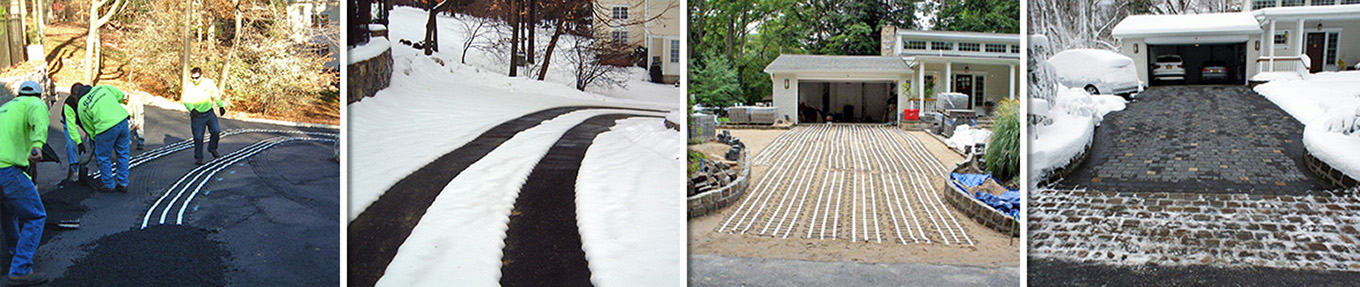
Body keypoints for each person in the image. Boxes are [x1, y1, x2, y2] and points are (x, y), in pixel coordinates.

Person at [0, 81, 51, 286]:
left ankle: (16, 252)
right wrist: (37, 145)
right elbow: (39, 121)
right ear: (38, 95)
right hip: (7, 169)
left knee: (7, 213)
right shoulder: (34, 103)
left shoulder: (5, 108)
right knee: (36, 215)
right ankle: (21, 269)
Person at [76, 85, 131, 193]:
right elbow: (120, 95)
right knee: (123, 154)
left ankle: (109, 184)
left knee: (103, 157)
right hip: (122, 121)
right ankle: (123, 183)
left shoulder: (82, 104)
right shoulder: (102, 88)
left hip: (105, 128)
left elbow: (87, 126)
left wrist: (94, 138)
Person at [182, 67, 228, 165]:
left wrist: (221, 106)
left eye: (197, 77)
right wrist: (192, 109)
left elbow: (215, 94)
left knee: (216, 131)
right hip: (197, 115)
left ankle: (212, 148)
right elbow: (186, 101)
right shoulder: (190, 87)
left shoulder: (209, 83)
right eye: (193, 78)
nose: (195, 80)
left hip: (209, 113)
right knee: (198, 137)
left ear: (201, 75)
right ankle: (199, 157)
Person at [63, 83, 91, 182]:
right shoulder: (69, 104)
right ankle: (73, 167)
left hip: (85, 118)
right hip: (71, 119)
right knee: (70, 144)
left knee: (94, 137)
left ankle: (100, 159)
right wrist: (79, 142)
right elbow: (71, 126)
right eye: (74, 95)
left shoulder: (88, 97)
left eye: (77, 95)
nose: (76, 98)